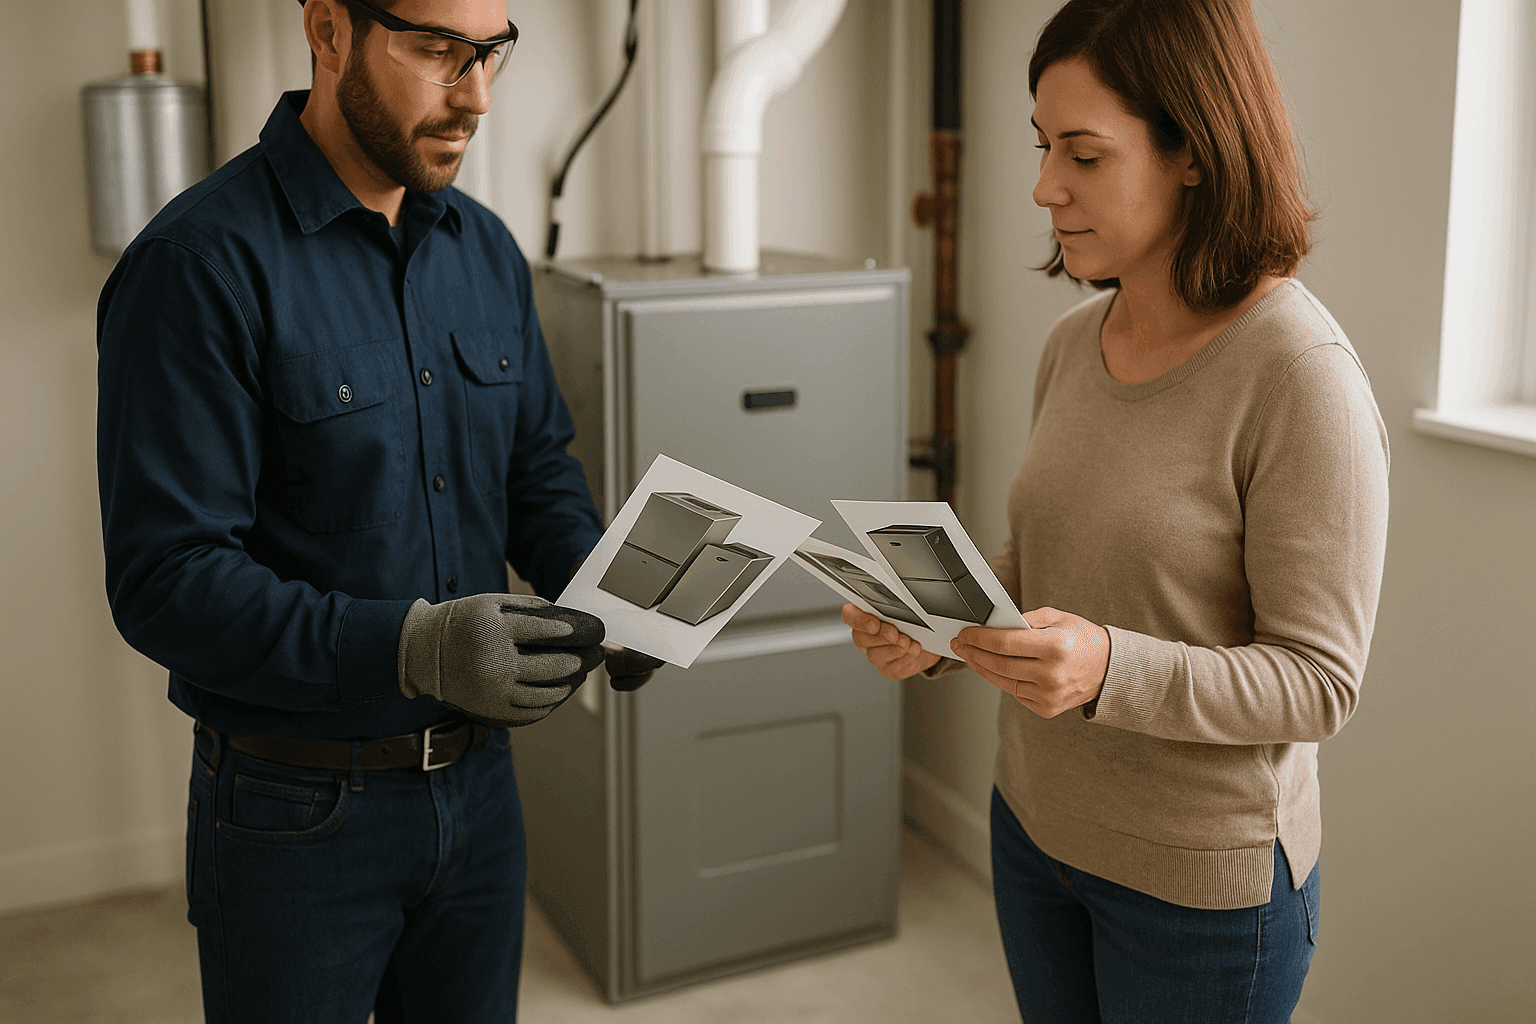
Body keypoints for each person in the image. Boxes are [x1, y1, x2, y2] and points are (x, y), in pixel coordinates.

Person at [96, 1, 659, 1020]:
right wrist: (414, 647)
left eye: (490, 53)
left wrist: (610, 587)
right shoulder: (198, 266)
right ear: (328, 30)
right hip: (294, 816)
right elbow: (164, 580)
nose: (475, 96)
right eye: (437, 52)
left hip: (481, 791)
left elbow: (535, 469)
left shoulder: (485, 250)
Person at [844, 0, 1389, 1020]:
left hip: (1200, 893)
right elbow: (1042, 566)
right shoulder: (1071, 343)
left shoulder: (1298, 374)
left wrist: (1109, 667)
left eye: (1084, 155)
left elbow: (1320, 683)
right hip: (1035, 831)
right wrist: (936, 627)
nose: (1044, 186)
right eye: (1044, 146)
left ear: (1194, 149)